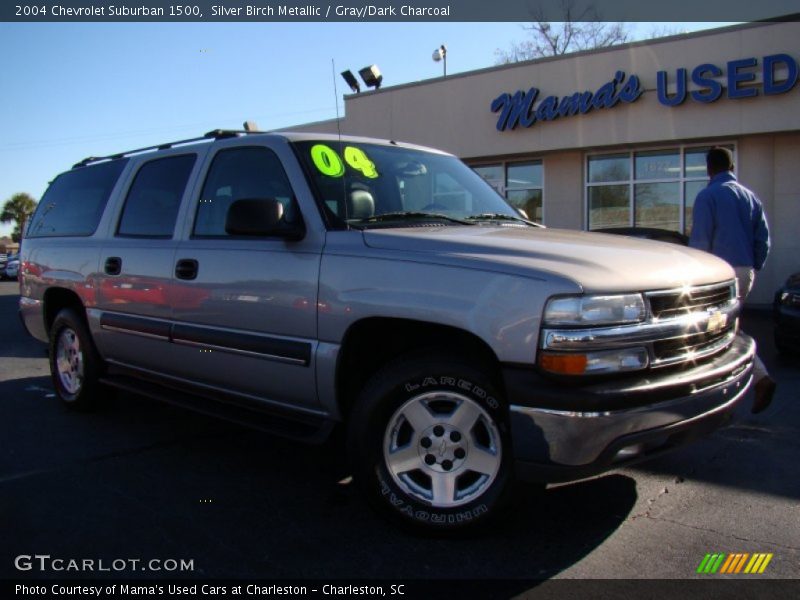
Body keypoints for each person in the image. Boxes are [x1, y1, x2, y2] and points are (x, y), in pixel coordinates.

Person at [689, 147, 775, 414]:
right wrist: (752, 266)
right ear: (732, 167)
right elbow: (763, 241)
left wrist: (693, 279)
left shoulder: (708, 196)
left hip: (717, 276)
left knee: (717, 331)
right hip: (744, 270)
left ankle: (753, 379)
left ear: (708, 169)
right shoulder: (751, 198)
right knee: (724, 328)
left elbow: (700, 242)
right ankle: (748, 380)